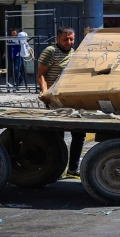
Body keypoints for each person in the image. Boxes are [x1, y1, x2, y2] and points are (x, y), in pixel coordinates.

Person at [37, 27, 85, 176]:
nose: (69, 42)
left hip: (70, 99)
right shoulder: (50, 51)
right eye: (65, 39)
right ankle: (55, 170)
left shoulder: (74, 53)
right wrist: (45, 93)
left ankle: (72, 168)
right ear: (57, 39)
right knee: (57, 135)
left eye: (71, 39)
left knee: (79, 133)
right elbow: (41, 74)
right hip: (54, 100)